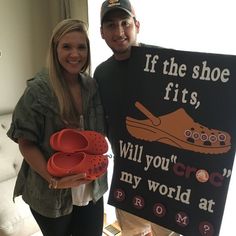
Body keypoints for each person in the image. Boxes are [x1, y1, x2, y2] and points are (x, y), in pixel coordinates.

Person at [7, 19, 108, 236]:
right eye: (67, 46)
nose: (75, 54)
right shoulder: (38, 91)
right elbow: (26, 144)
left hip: (90, 186)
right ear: (55, 49)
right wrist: (54, 180)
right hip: (50, 193)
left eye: (81, 47)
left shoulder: (91, 86)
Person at [94, 1, 180, 236]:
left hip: (168, 179)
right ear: (102, 32)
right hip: (126, 175)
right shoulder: (100, 74)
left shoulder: (166, 64)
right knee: (132, 233)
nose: (119, 32)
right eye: (111, 25)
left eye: (125, 23)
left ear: (137, 25)